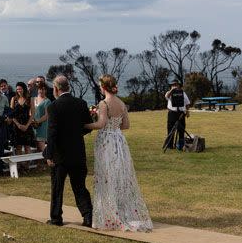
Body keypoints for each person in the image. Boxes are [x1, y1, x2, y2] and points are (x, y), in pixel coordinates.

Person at [85, 74, 153, 232]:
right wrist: (113, 126)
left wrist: (86, 124)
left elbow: (101, 124)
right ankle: (122, 211)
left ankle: (110, 214)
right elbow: (126, 125)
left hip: (106, 142)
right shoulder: (121, 103)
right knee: (119, 176)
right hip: (119, 141)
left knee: (107, 176)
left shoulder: (104, 103)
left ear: (102, 87)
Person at [43, 75, 93, 227]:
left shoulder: (53, 107)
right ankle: (88, 217)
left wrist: (49, 154)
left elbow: (52, 133)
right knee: (80, 186)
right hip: (78, 152)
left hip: (60, 155)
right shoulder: (81, 103)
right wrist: (75, 136)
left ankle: (56, 218)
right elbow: (87, 126)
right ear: (68, 87)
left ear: (56, 89)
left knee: (57, 188)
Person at [10, 82, 35, 156]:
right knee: (18, 147)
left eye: (20, 89)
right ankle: (20, 165)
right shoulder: (13, 99)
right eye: (17, 89)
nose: (19, 90)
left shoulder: (30, 99)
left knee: (27, 146)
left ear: (24, 89)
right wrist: (18, 125)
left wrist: (27, 126)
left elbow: (33, 113)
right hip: (17, 125)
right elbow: (11, 114)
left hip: (27, 124)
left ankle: (27, 166)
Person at [164, 80, 190, 150]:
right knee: (171, 129)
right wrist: (172, 90)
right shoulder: (169, 93)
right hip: (172, 113)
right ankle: (170, 146)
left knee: (181, 129)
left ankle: (181, 146)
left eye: (176, 84)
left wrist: (187, 111)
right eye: (173, 85)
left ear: (179, 85)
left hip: (181, 113)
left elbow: (187, 103)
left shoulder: (183, 93)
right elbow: (166, 96)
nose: (174, 86)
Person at [32, 85, 51, 153]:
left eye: (43, 89)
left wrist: (37, 121)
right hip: (33, 125)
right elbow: (30, 111)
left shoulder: (47, 101)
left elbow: (46, 115)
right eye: (40, 89)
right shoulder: (33, 99)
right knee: (36, 147)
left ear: (46, 91)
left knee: (41, 146)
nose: (41, 91)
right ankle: (39, 163)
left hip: (42, 126)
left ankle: (48, 160)